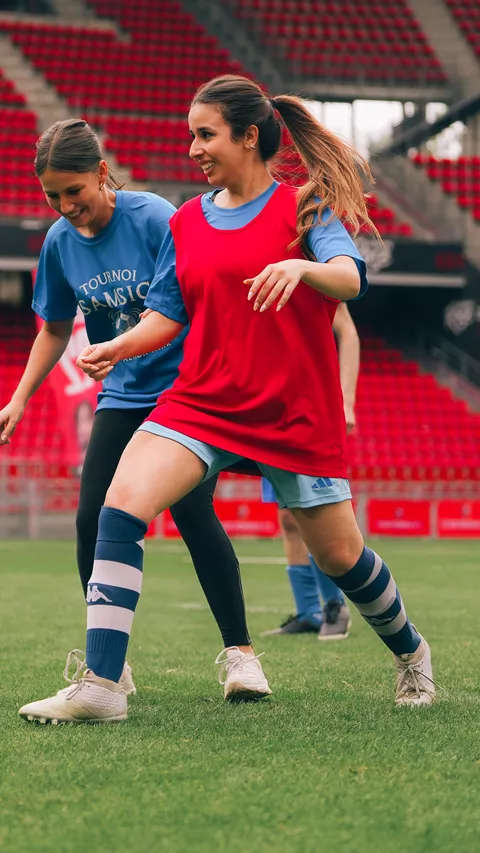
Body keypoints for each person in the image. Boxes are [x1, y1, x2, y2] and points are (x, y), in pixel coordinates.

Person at [19, 76, 435, 725]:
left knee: (340, 556)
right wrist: (118, 348)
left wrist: (302, 267)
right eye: (191, 135)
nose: (193, 148)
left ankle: (410, 650)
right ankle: (102, 684)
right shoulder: (187, 221)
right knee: (118, 506)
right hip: (202, 400)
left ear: (248, 136)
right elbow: (166, 314)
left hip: (292, 407)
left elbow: (351, 278)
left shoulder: (306, 207)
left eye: (205, 134)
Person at [0, 117, 270, 705]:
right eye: (53, 195)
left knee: (194, 513)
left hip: (185, 393)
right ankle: (109, 666)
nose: (67, 205)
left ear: (101, 172)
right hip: (122, 396)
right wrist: (19, 397)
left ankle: (243, 658)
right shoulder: (58, 243)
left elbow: (196, 297)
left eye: (75, 190)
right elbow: (52, 329)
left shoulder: (154, 219)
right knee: (90, 522)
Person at [262, 302, 360, 639]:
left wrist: (346, 401)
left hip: (310, 406)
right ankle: (309, 612)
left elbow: (346, 331)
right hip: (269, 407)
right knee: (288, 519)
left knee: (312, 514)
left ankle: (335, 606)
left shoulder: (311, 261)